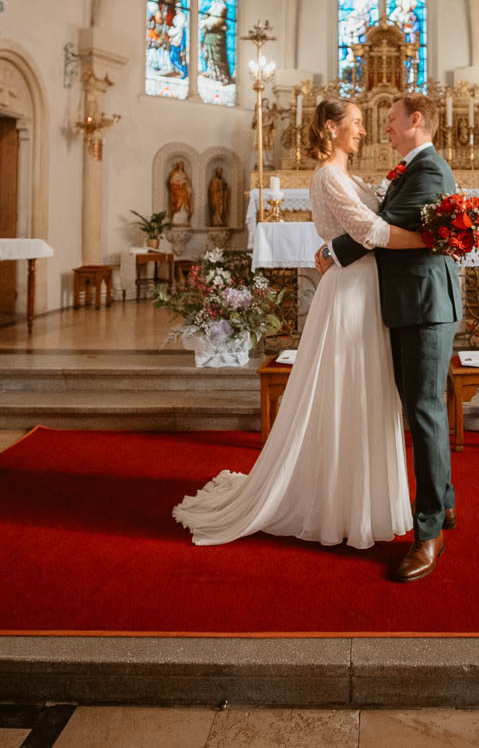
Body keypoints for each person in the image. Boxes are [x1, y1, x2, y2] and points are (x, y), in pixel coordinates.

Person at [173, 99, 428, 550]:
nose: (364, 132)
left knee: (365, 390)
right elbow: (369, 233)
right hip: (349, 293)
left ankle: (359, 503)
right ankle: (332, 503)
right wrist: (432, 240)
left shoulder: (348, 176)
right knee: (344, 390)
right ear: (330, 128)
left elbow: (378, 219)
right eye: (356, 123)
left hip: (367, 290)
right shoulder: (327, 177)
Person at [315, 93, 462, 583]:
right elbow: (385, 226)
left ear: (415, 121)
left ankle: (429, 535)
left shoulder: (429, 170)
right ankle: (442, 503)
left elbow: (389, 226)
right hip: (405, 304)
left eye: (391, 120)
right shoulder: (409, 168)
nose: (384, 129)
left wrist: (334, 249)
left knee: (423, 411)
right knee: (420, 409)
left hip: (424, 306)